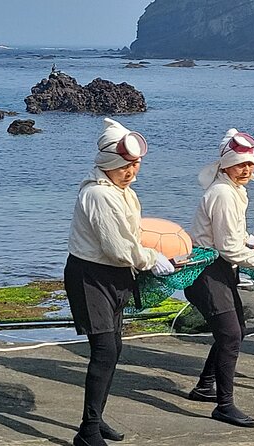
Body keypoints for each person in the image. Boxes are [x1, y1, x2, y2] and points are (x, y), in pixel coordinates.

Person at [65, 118, 175, 446]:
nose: (132, 171)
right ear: (109, 163)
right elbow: (117, 248)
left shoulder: (124, 192)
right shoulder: (99, 195)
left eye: (136, 164)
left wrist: (151, 253)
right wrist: (150, 260)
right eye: (125, 165)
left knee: (115, 350)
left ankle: (96, 419)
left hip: (115, 275)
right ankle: (87, 431)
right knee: (104, 350)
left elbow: (131, 238)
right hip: (90, 276)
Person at [184, 129, 254, 428]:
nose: (247, 169)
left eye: (250, 164)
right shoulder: (222, 193)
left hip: (220, 268)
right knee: (231, 334)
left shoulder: (235, 190)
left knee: (235, 330)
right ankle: (224, 405)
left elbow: (230, 235)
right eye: (240, 164)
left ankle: (206, 385)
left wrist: (253, 240)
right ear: (225, 165)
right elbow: (228, 248)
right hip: (206, 271)